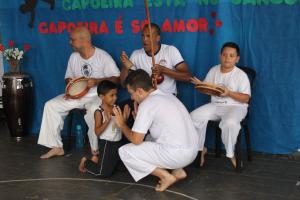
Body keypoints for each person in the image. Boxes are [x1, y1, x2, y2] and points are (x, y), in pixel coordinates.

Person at [38, 26, 120, 159]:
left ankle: (95, 150)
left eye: (72, 40)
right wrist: (71, 83)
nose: (70, 42)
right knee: (51, 105)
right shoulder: (74, 57)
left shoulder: (102, 56)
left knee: (95, 110)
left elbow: (116, 79)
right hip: (76, 96)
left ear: (84, 41)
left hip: (96, 96)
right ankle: (56, 147)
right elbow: (67, 78)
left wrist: (97, 81)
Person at [112, 69, 199, 192]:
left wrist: (122, 124)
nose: (131, 98)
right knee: (148, 138)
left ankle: (165, 176)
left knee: (125, 151)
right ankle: (177, 170)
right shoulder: (168, 95)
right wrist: (139, 120)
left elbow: (136, 140)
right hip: (193, 152)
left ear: (140, 91)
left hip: (178, 155)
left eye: (131, 93)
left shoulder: (147, 104)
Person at [190, 42, 251, 168]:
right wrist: (201, 85)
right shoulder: (214, 70)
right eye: (224, 55)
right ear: (220, 56)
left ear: (237, 58)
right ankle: (200, 149)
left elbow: (246, 98)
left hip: (236, 107)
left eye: (231, 55)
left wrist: (228, 93)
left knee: (229, 122)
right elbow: (208, 89)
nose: (227, 58)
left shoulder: (241, 75)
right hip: (215, 106)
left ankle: (230, 154)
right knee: (193, 117)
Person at [120, 23, 191, 95]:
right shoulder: (136, 55)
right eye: (143, 36)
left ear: (158, 38)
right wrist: (125, 65)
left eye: (148, 36)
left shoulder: (170, 50)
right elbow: (123, 84)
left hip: (168, 98)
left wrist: (164, 70)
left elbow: (187, 77)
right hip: (146, 99)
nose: (144, 39)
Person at [79, 80, 129, 177]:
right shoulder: (99, 112)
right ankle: (86, 162)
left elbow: (119, 126)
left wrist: (125, 119)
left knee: (122, 168)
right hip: (107, 143)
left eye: (116, 95)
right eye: (112, 95)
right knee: (103, 173)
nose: (115, 98)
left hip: (118, 142)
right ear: (102, 97)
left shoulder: (116, 108)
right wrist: (107, 121)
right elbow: (97, 132)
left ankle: (100, 161)